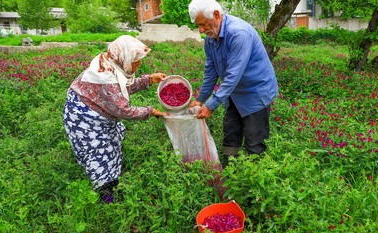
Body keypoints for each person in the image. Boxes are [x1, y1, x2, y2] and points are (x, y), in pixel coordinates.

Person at [63, 35, 166, 203]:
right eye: (136, 60)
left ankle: (113, 178)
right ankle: (107, 196)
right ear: (124, 58)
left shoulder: (112, 63)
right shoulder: (105, 77)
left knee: (112, 141)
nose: (139, 64)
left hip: (96, 113)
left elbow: (122, 88)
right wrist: (151, 111)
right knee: (98, 153)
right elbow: (123, 110)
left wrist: (149, 79)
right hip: (84, 119)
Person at [188, 0, 279, 168]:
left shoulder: (239, 34)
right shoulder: (211, 38)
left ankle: (253, 187)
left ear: (216, 15)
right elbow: (211, 71)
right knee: (231, 136)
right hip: (234, 94)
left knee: (254, 143)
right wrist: (200, 100)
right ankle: (230, 178)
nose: (201, 30)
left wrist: (211, 106)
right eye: (198, 26)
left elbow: (232, 76)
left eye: (203, 24)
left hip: (255, 93)